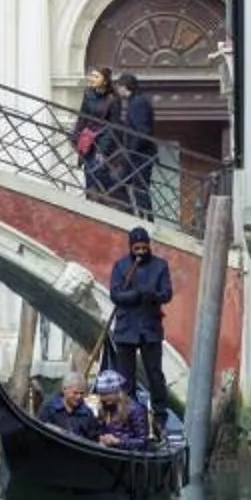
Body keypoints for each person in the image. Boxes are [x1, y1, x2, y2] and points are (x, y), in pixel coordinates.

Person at [106, 226, 174, 417]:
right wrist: (136, 295)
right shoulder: (121, 266)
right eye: (137, 249)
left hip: (150, 328)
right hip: (126, 328)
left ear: (149, 246)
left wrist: (152, 295)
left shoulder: (160, 266)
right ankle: (127, 414)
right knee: (125, 377)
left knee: (155, 374)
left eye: (144, 248)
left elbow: (167, 294)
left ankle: (160, 414)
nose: (141, 252)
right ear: (131, 247)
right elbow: (116, 294)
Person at [109, 73, 160, 219]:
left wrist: (131, 151)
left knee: (137, 188)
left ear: (124, 87)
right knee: (130, 186)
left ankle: (144, 220)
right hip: (137, 155)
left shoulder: (138, 102)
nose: (117, 90)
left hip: (140, 156)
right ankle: (137, 217)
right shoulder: (134, 101)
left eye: (118, 87)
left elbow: (143, 131)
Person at [72, 67, 119, 202]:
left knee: (97, 172)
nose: (92, 79)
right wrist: (75, 136)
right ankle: (91, 204)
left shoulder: (113, 99)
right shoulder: (88, 94)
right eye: (91, 76)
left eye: (96, 76)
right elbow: (82, 117)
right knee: (88, 173)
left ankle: (104, 205)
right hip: (87, 142)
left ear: (105, 81)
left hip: (103, 142)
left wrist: (103, 150)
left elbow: (113, 127)